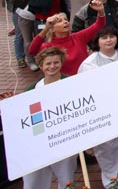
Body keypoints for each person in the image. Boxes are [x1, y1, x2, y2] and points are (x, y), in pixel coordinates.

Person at [79, 27, 118, 186]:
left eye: (111, 36)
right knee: (107, 146)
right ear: (97, 41)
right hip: (103, 111)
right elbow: (92, 87)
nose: (108, 40)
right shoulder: (89, 64)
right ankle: (110, 179)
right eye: (104, 37)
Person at [22, 47, 77, 189]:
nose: (52, 66)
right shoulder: (32, 89)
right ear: (41, 66)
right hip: (40, 142)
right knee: (35, 181)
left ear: (61, 63)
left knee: (66, 179)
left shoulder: (72, 84)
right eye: (48, 63)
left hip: (64, 140)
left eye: (56, 62)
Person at [28, 0, 106, 75]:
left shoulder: (78, 37)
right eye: (60, 21)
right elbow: (32, 50)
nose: (65, 22)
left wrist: (101, 11)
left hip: (84, 77)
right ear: (53, 28)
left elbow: (99, 25)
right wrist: (46, 29)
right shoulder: (48, 46)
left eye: (66, 20)